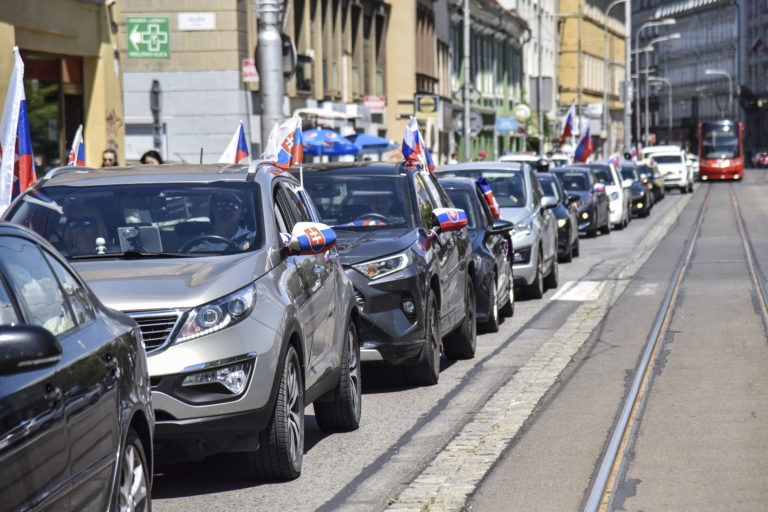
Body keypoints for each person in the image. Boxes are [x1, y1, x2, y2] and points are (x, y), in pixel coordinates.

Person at [185, 191, 256, 251]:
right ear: (213, 208)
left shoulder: (253, 239)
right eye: (221, 203)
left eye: (234, 205)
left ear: (243, 213)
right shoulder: (198, 244)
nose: (226, 208)